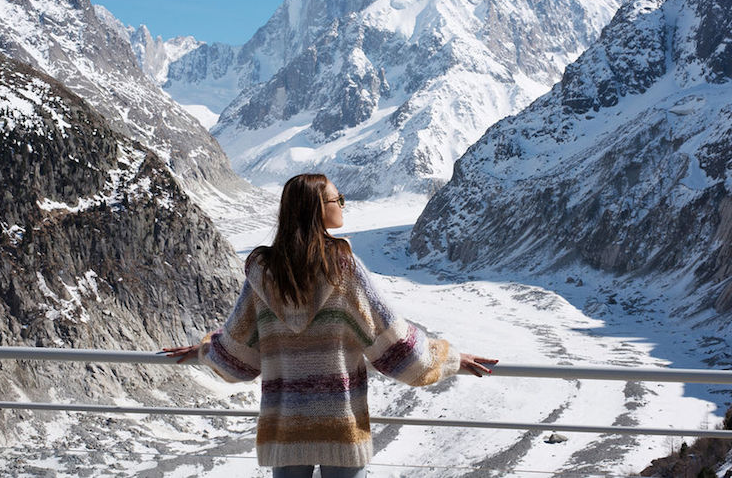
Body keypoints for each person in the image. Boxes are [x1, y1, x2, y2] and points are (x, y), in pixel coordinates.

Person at [164, 173, 497, 478]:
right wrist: (451, 359)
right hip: (341, 427)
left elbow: (237, 357)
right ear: (316, 209)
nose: (342, 205)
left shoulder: (264, 273)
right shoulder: (343, 269)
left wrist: (205, 350)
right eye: (338, 200)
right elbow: (393, 345)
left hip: (285, 430)